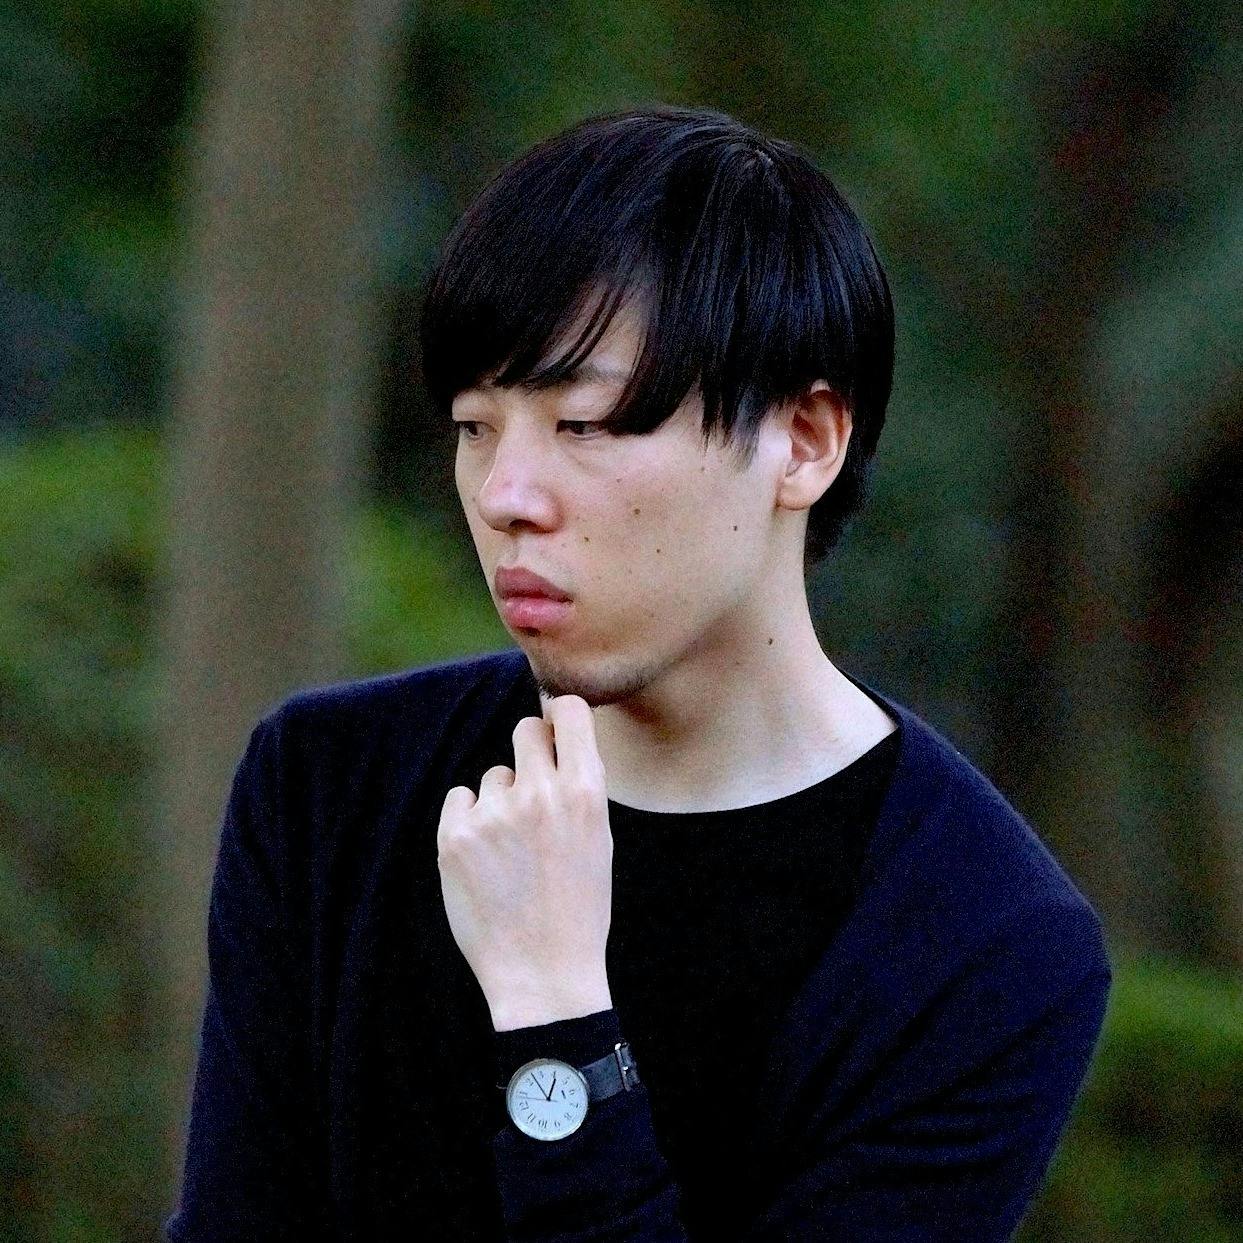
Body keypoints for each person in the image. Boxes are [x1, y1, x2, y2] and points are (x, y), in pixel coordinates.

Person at [165, 104, 1112, 1241]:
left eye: (583, 422)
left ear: (804, 440)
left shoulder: (984, 941)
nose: (507, 496)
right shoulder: (329, 787)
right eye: (475, 425)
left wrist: (555, 1011)